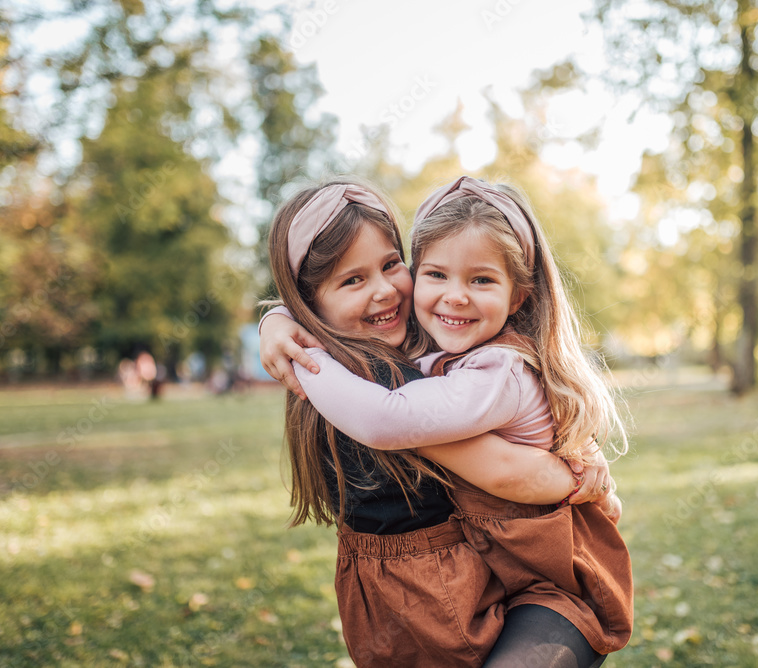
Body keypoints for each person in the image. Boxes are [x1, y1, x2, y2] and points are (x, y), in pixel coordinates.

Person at [261, 176, 633, 667]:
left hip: (545, 576)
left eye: (392, 265)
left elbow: (496, 465)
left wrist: (298, 342)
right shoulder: (387, 367)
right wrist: (280, 319)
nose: (384, 291)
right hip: (465, 593)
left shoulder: (443, 362)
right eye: (353, 280)